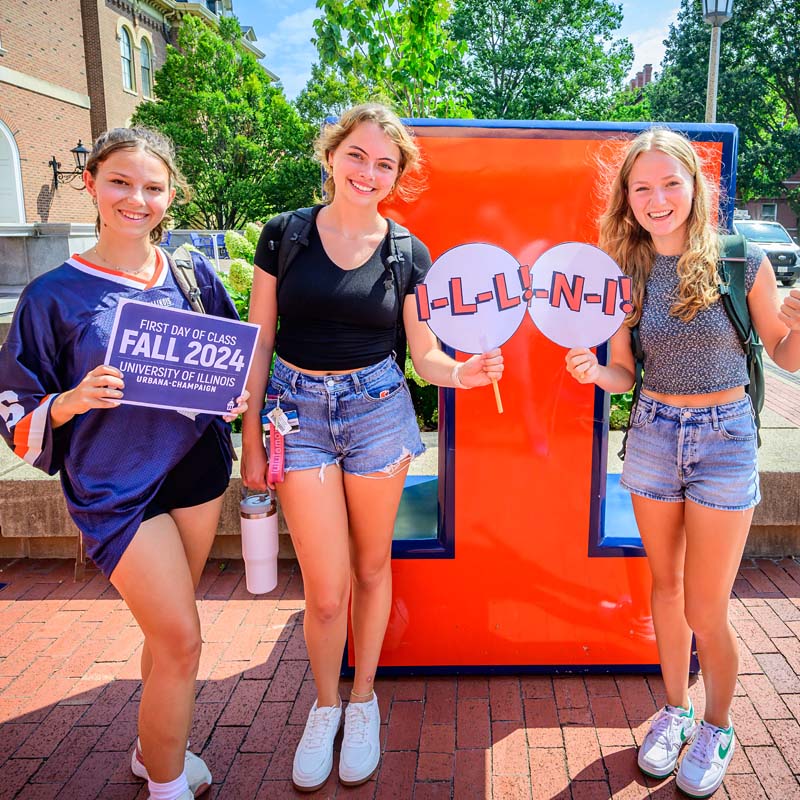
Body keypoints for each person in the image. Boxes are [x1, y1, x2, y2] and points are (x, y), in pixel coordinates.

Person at [241, 102, 504, 791]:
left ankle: (363, 702)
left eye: (384, 164)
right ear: (332, 156)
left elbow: (423, 354)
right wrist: (248, 440)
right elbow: (260, 341)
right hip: (293, 415)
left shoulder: (406, 251)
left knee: (371, 566)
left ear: (397, 176)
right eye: (357, 155)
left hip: (378, 411)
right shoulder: (285, 235)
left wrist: (462, 372)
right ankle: (324, 706)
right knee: (325, 594)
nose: (368, 171)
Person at [0, 127, 248, 800]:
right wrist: (68, 401)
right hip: (115, 487)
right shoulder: (53, 295)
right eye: (120, 182)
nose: (136, 199)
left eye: (153, 187)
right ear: (92, 183)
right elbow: (14, 405)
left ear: (170, 195)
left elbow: (230, 359)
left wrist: (235, 396)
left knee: (169, 634)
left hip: (195, 469)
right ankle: (167, 786)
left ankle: (152, 751)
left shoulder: (193, 274)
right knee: (183, 638)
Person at [565, 128, 800, 798]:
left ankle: (717, 723)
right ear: (627, 196)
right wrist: (593, 368)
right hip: (653, 434)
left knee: (705, 606)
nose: (658, 197)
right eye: (643, 187)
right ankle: (675, 708)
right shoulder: (625, 269)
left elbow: (785, 355)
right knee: (663, 590)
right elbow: (623, 373)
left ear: (696, 186)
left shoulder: (738, 258)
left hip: (725, 439)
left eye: (671, 183)